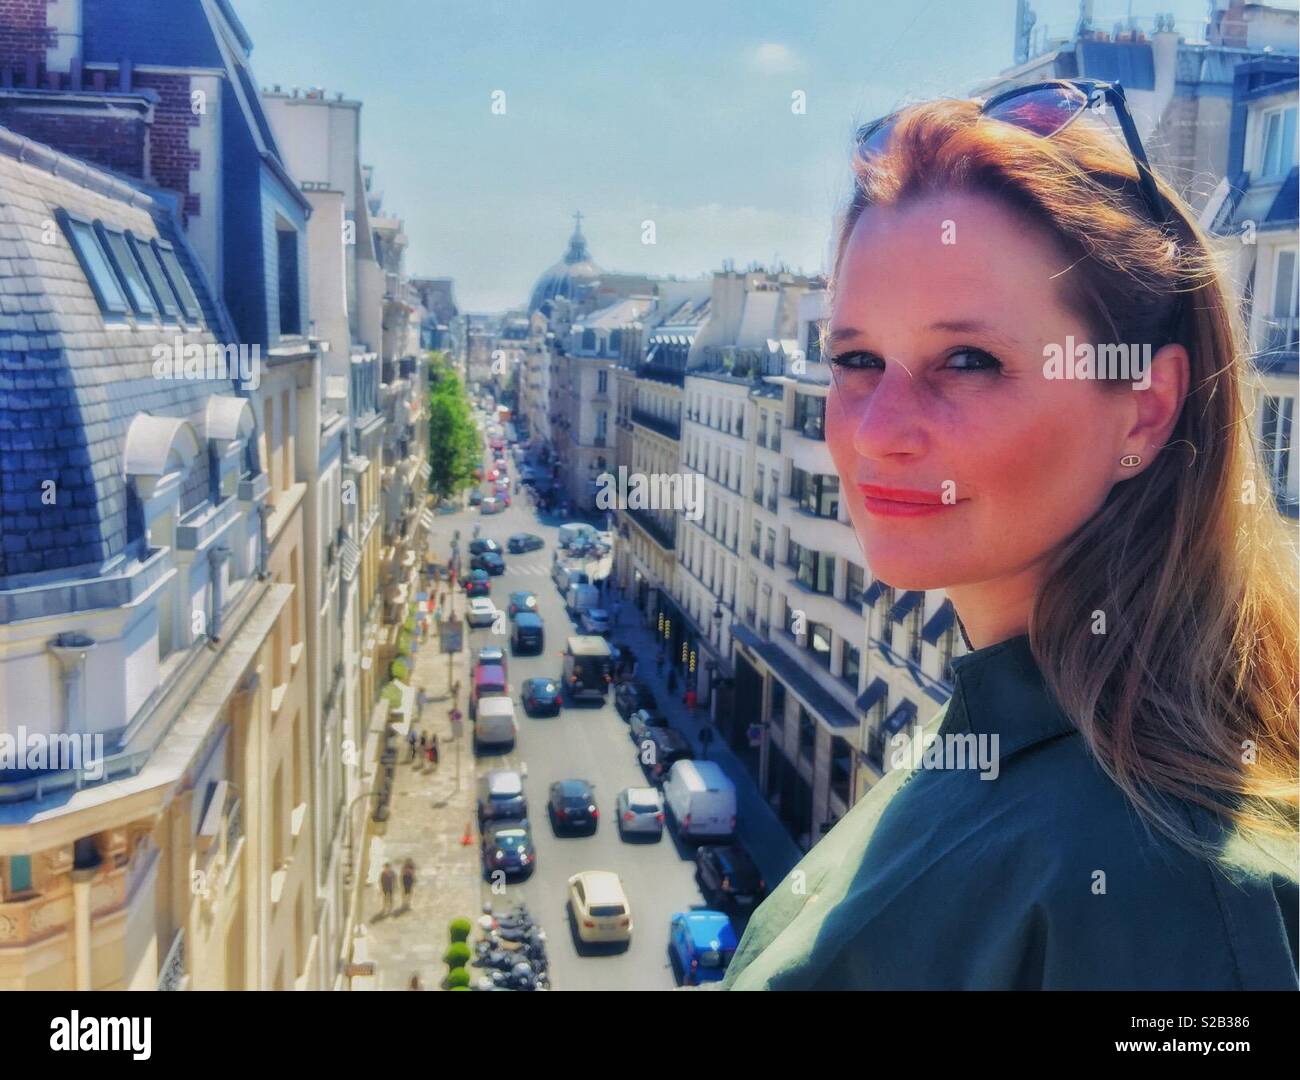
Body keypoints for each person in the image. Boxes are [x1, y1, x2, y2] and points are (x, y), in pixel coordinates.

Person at [722, 86, 1299, 991]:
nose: (877, 431)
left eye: (968, 362)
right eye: (856, 360)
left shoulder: (1168, 889)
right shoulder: (1002, 732)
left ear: (1143, 412)